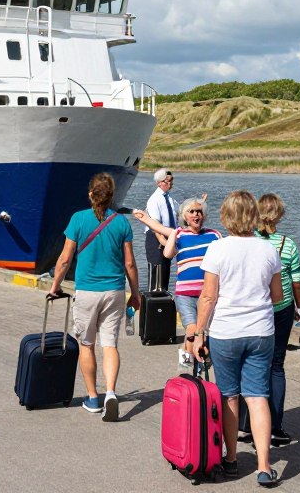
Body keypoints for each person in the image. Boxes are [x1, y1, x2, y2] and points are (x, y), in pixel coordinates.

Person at [189, 190, 284, 487]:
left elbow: (208, 296)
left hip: (226, 332)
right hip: (260, 331)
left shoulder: (218, 249)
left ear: (226, 216)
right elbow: (278, 296)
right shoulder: (269, 249)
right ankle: (264, 466)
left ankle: (231, 459)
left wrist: (198, 333)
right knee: (258, 397)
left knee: (229, 396)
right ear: (253, 216)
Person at [47, 172, 141, 422]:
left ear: (90, 194)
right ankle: (111, 392)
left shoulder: (78, 219)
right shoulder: (121, 222)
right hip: (115, 291)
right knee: (110, 344)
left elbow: (65, 258)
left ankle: (92, 398)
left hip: (87, 291)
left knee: (86, 344)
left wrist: (54, 286)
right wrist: (136, 294)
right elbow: (130, 264)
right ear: (111, 196)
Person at [132, 197, 222, 343]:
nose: (195, 214)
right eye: (191, 211)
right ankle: (186, 364)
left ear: (204, 215)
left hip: (208, 295)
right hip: (185, 296)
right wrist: (145, 218)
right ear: (184, 217)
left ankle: (199, 363)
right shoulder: (179, 234)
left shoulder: (214, 235)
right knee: (192, 332)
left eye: (199, 211)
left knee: (206, 334)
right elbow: (167, 253)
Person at [256, 193, 300, 447]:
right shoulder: (287, 245)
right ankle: (274, 426)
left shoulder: (248, 241)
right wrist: (299, 305)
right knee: (276, 365)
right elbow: (297, 280)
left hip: (253, 309)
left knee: (252, 365)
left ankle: (249, 423)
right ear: (280, 215)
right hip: (281, 308)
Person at [144, 168, 178, 291]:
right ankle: (153, 304)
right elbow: (154, 224)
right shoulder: (155, 199)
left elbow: (179, 213)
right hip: (156, 238)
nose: (170, 183)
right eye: (167, 181)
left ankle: (163, 303)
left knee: (165, 273)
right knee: (157, 274)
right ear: (159, 182)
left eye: (172, 180)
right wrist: (162, 241)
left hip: (168, 238)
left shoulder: (169, 198)